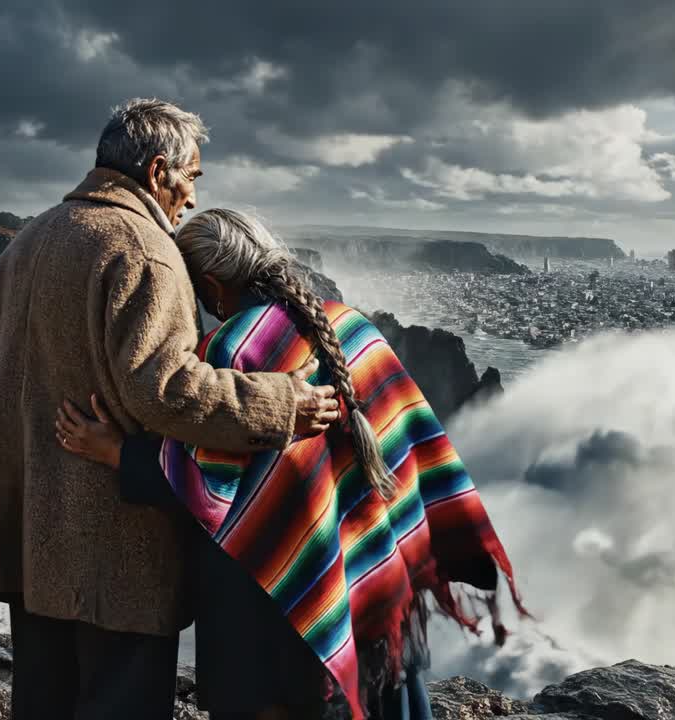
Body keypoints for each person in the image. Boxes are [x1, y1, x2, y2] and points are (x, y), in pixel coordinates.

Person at [0, 100, 341, 720]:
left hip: (32, 541)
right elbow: (167, 390)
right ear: (159, 170)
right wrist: (281, 400)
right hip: (114, 552)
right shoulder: (143, 249)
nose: (189, 196)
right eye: (192, 177)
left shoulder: (25, 243)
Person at [56, 209, 526, 720]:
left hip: (276, 621)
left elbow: (201, 481)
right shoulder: (354, 328)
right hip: (377, 586)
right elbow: (414, 440)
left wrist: (115, 452)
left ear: (210, 286)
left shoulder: (230, 352)